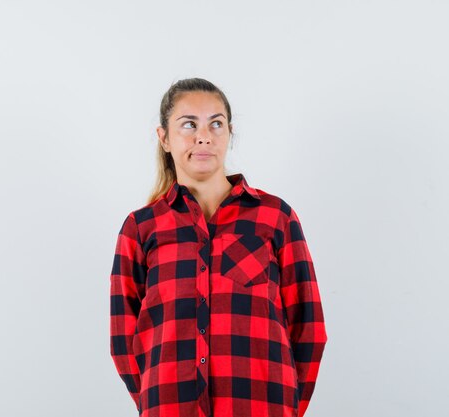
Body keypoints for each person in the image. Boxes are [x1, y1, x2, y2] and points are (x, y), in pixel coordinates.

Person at [109, 78, 328, 417]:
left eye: (216, 123)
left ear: (229, 133)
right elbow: (124, 338)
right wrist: (156, 403)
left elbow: (308, 326)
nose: (204, 136)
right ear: (164, 138)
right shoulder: (140, 228)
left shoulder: (275, 217)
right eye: (188, 125)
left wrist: (286, 407)